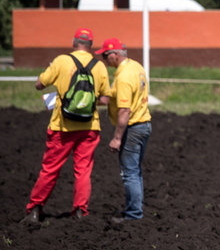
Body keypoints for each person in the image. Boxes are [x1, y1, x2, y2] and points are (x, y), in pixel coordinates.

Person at [22, 28, 111, 223]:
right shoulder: (100, 66)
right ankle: (80, 211)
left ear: (73, 42)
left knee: (50, 169)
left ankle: (35, 210)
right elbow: (104, 99)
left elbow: (39, 84)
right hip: (89, 126)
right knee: (83, 171)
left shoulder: (61, 61)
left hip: (61, 126)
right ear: (90, 46)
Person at [96, 38, 152, 223]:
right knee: (135, 171)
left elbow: (125, 110)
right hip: (144, 124)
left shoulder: (124, 76)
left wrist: (117, 138)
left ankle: (134, 215)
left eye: (105, 55)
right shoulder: (136, 67)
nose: (104, 59)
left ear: (116, 54)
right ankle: (135, 211)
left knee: (129, 173)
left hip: (132, 128)